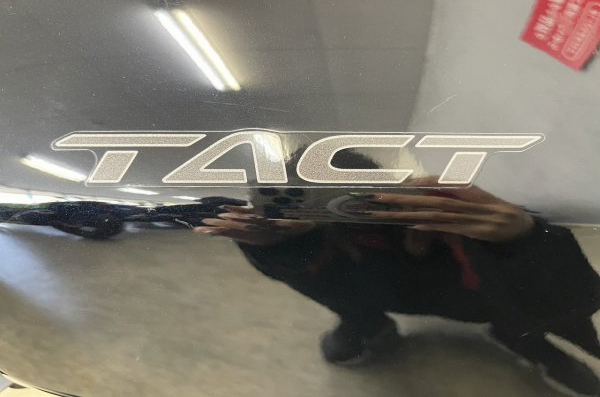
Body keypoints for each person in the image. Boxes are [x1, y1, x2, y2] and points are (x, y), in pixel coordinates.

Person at [195, 166, 600, 395]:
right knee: (345, 342)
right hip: (423, 296)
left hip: (497, 295)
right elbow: (345, 293)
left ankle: (535, 344)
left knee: (558, 323)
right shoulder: (336, 246)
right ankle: (534, 347)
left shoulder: (444, 215)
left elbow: (573, 297)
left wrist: (526, 239)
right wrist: (280, 247)